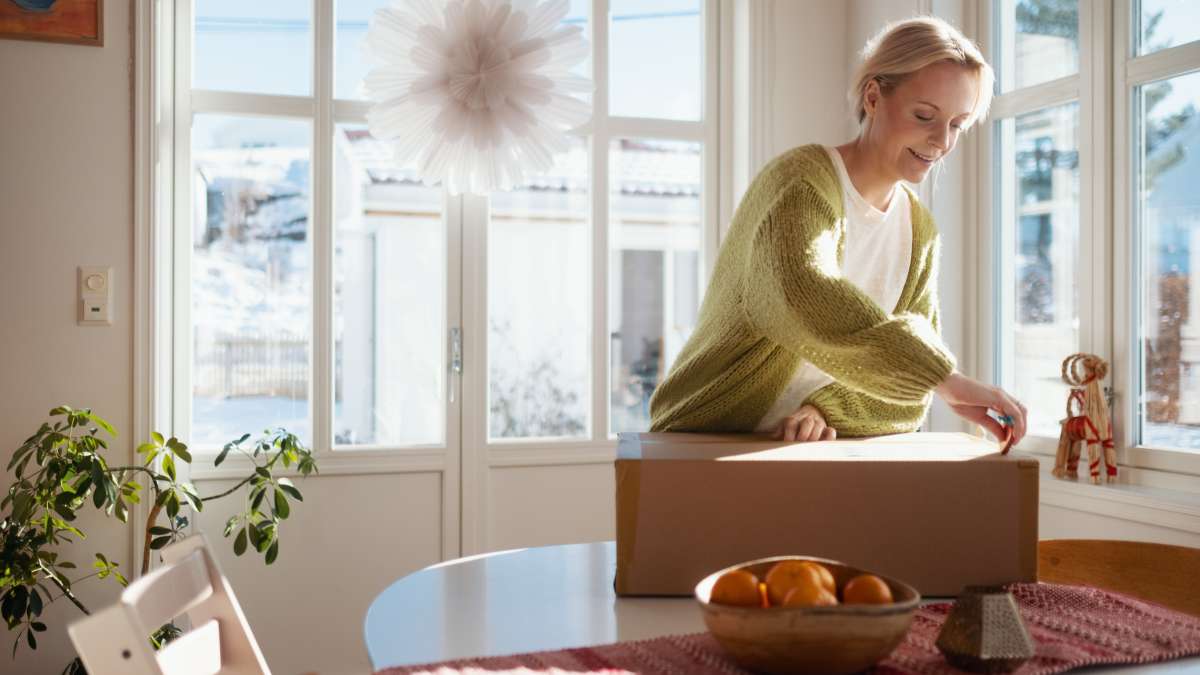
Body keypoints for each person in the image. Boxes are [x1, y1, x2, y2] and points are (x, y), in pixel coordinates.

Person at [648, 17, 1027, 446]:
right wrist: (945, 379)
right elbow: (804, 293)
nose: (941, 140)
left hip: (802, 454)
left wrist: (823, 409)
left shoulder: (920, 233)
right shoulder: (802, 181)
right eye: (925, 115)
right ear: (873, 97)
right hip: (703, 436)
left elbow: (905, 395)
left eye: (957, 124)